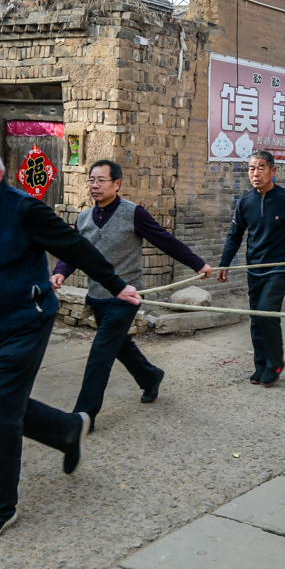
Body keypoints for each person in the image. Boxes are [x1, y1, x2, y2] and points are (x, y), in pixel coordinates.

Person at [0, 145, 139, 546]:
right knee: (3, 401)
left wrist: (117, 285)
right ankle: (70, 430)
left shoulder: (23, 210)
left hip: (25, 322)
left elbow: (75, 247)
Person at [51, 160, 212, 425]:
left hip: (127, 296)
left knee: (100, 353)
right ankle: (150, 376)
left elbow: (165, 240)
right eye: (92, 179)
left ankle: (83, 416)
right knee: (119, 346)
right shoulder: (83, 218)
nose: (95, 185)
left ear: (117, 184)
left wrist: (199, 264)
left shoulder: (133, 213)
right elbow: (73, 251)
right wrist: (60, 271)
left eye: (101, 180)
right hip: (97, 295)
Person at [218, 150, 285, 387]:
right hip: (255, 268)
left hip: (279, 268)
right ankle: (261, 365)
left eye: (261, 167)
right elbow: (235, 235)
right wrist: (224, 263)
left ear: (273, 171)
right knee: (256, 316)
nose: (255, 173)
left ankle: (275, 363)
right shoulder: (245, 202)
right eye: (251, 168)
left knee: (266, 312)